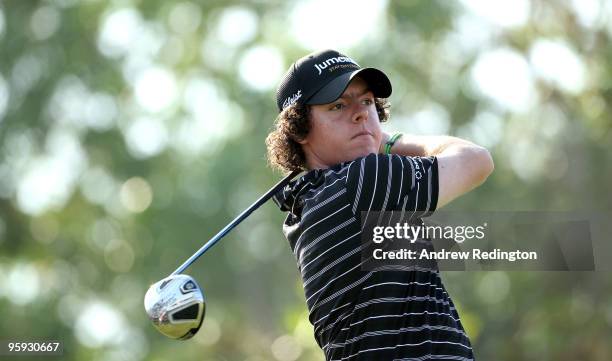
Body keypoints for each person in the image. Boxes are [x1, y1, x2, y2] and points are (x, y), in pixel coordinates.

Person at [266, 49, 493, 360]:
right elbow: (476, 160)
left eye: (367, 102)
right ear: (300, 129)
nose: (360, 114)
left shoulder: (304, 206)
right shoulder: (361, 180)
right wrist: (387, 140)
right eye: (338, 106)